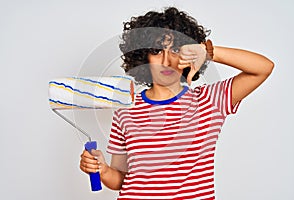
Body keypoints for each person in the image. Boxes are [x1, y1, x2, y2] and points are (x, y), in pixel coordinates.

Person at [79, 7, 274, 200]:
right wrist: (102, 170)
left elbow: (263, 68)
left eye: (174, 50)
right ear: (143, 56)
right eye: (157, 51)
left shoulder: (209, 100)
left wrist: (207, 52)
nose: (166, 61)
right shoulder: (126, 109)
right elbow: (120, 180)